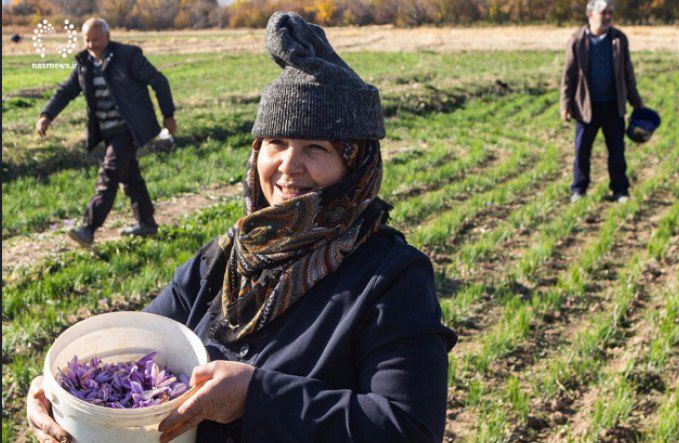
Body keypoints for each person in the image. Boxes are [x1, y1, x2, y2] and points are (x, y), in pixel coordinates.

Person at [26, 12, 457, 443]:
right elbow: (137, 348)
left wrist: (257, 397)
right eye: (277, 142)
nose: (289, 166)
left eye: (316, 147)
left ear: (355, 164)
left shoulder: (390, 279)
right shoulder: (225, 258)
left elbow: (408, 429)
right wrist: (57, 391)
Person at [35, 18, 177, 247]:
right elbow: (66, 91)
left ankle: (88, 229)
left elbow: (158, 81)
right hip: (108, 131)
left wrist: (168, 115)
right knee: (129, 176)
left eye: (96, 39)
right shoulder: (84, 63)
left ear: (107, 37)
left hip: (130, 128)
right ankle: (147, 224)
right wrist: (46, 115)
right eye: (87, 40)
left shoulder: (128, 56)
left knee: (109, 174)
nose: (91, 44)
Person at [560, 0, 644, 204]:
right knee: (582, 151)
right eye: (603, 12)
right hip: (586, 107)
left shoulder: (619, 39)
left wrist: (636, 103)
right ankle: (578, 189)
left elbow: (627, 73)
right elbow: (568, 76)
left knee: (617, 152)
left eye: (610, 13)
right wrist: (566, 105)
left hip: (613, 106)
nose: (608, 16)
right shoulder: (577, 40)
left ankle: (620, 190)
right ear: (590, 14)